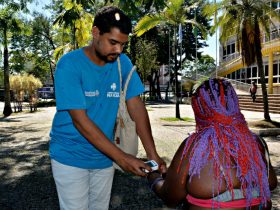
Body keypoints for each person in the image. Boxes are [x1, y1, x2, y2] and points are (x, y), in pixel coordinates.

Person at [49, 6, 166, 210]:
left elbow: (136, 106)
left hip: (104, 156)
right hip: (70, 156)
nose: (118, 50)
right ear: (96, 33)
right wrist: (122, 158)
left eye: (122, 44)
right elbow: (80, 120)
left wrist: (152, 154)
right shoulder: (69, 65)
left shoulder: (123, 63)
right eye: (113, 42)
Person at [147, 78, 277, 209]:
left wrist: (154, 177)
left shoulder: (194, 145)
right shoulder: (257, 142)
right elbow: (271, 184)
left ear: (199, 108)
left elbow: (170, 197)